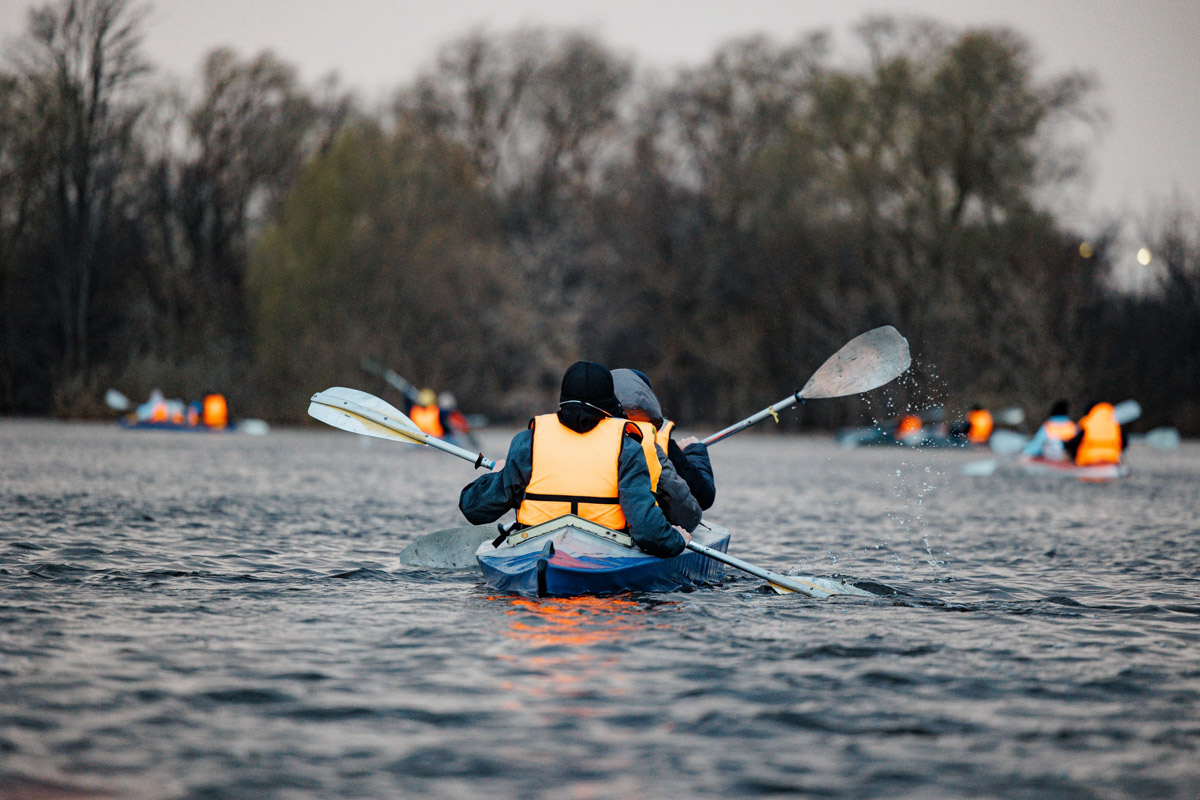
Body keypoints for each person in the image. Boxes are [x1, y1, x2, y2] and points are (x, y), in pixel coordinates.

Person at [459, 361, 688, 558]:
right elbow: (647, 530)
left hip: (535, 546)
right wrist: (677, 540)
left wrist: (502, 473)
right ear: (608, 404)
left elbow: (473, 508)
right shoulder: (627, 446)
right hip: (608, 550)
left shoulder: (529, 441)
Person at [610, 368, 703, 532]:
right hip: (626, 531)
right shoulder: (649, 442)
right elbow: (698, 502)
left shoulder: (577, 435)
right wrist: (696, 451)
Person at [623, 369, 716, 511]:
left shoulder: (588, 431)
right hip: (641, 522)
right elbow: (704, 497)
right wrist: (695, 451)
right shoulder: (661, 443)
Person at [1065, 401, 1124, 466]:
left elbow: (1075, 442)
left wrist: (1064, 445)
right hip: (1111, 459)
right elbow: (1124, 442)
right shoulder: (1115, 424)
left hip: (1090, 460)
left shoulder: (1087, 423)